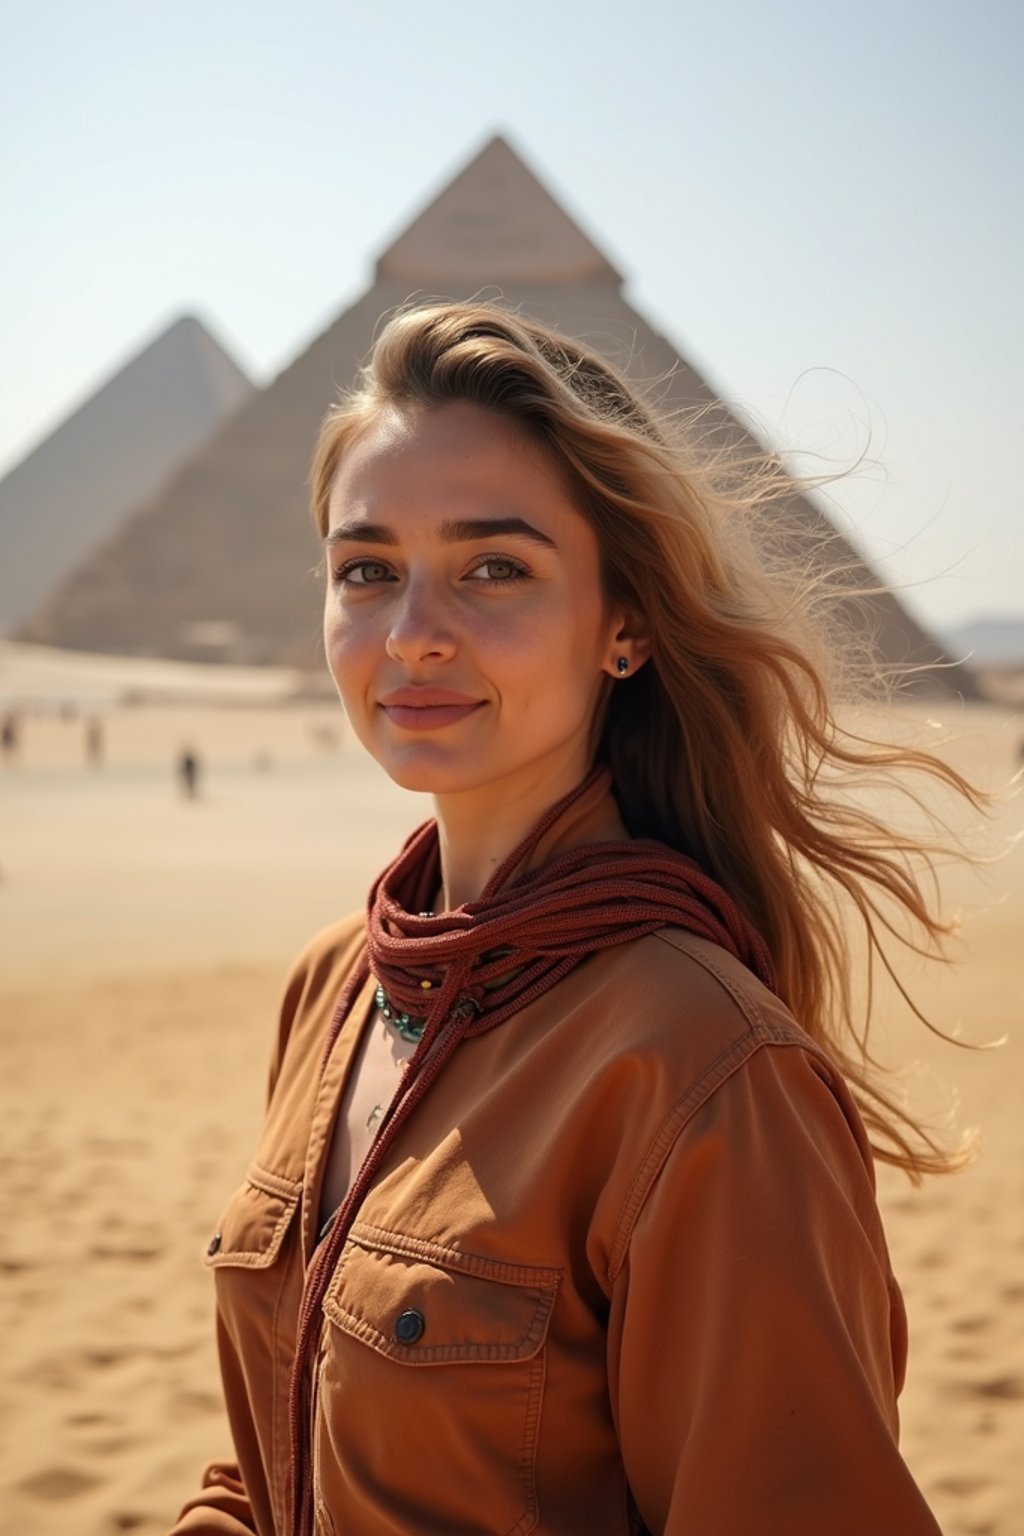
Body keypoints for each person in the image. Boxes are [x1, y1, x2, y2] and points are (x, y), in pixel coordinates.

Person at [173, 302, 980, 1535]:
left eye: (495, 567)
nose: (414, 634)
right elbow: (270, 1469)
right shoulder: (336, 986)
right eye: (366, 570)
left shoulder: (698, 1070)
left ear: (625, 624)